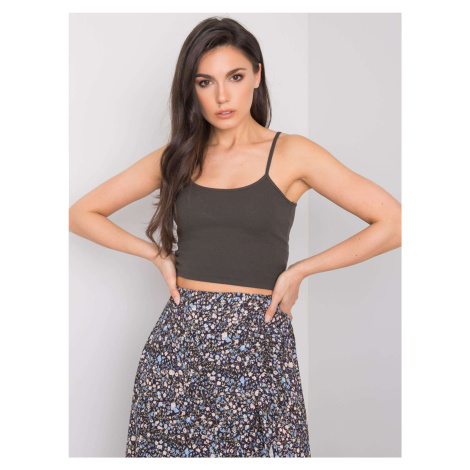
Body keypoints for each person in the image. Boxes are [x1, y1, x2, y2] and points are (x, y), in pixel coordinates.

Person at [69, 16, 401, 458]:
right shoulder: (179, 157)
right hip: (179, 354)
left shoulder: (293, 153)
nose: (222, 96)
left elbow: (395, 222)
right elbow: (81, 214)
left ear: (257, 76)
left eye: (236, 77)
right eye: (205, 82)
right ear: (191, 89)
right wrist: (156, 255)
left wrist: (300, 270)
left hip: (258, 351)